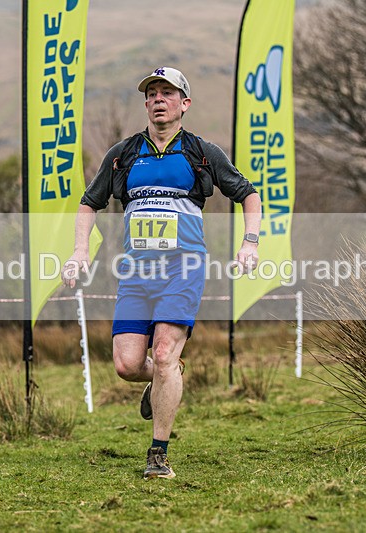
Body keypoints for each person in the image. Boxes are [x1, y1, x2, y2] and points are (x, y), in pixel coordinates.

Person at [62, 67, 261, 480]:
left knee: (165, 352)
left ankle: (158, 454)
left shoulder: (201, 152)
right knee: (127, 365)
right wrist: (80, 252)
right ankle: (167, 378)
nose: (157, 99)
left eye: (167, 92)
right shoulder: (123, 154)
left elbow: (248, 195)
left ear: (184, 103)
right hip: (136, 273)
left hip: (183, 268)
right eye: (151, 93)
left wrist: (250, 242)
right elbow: (88, 203)